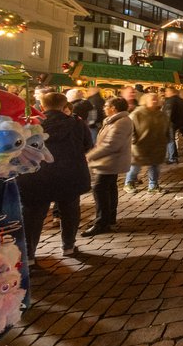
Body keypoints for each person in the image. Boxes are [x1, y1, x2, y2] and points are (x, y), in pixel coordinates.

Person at [17, 92, 93, 261]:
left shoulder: (32, 124)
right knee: (70, 211)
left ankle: (29, 254)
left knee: (33, 216)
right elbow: (88, 144)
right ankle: (68, 246)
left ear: (42, 106)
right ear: (64, 105)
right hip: (69, 174)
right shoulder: (77, 124)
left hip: (37, 176)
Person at [82, 97, 133, 236]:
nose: (104, 108)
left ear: (114, 108)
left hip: (110, 161)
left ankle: (102, 223)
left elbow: (110, 145)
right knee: (109, 188)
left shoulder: (120, 122)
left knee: (100, 189)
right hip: (109, 161)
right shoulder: (115, 120)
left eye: (106, 106)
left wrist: (89, 156)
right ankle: (109, 219)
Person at [124, 93, 169, 194]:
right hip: (140, 145)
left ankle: (153, 185)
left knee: (155, 165)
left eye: (156, 99)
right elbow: (129, 128)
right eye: (152, 99)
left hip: (157, 145)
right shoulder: (137, 114)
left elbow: (166, 127)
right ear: (145, 101)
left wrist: (165, 139)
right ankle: (129, 183)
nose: (154, 101)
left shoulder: (161, 114)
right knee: (136, 165)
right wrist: (134, 140)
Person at [162, 88, 183, 164]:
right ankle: (174, 156)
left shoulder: (170, 101)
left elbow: (168, 114)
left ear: (171, 92)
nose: (165, 92)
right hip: (178, 123)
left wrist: (165, 123)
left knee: (170, 140)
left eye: (167, 91)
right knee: (172, 139)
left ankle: (172, 158)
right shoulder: (181, 101)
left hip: (170, 123)